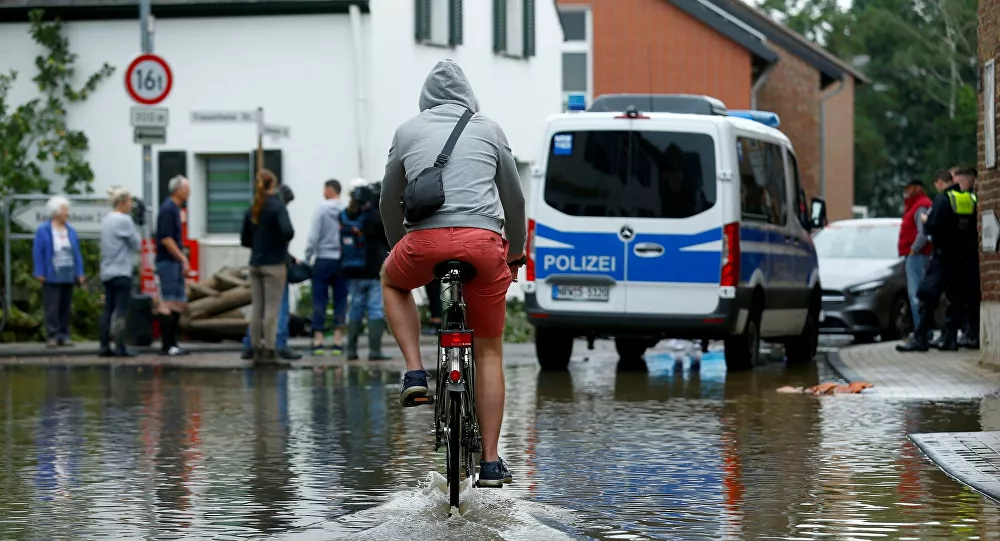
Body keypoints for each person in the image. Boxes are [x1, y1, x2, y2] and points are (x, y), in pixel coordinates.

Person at [380, 59, 526, 487]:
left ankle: (414, 372)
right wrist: (515, 253)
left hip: (422, 244)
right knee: (490, 351)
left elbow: (390, 199)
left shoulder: (407, 131)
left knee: (391, 281)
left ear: (425, 99)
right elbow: (513, 200)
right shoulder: (489, 128)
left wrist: (397, 247)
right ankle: (493, 463)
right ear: (469, 97)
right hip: (482, 247)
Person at [898, 167, 979, 352]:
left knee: (927, 295)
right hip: (964, 258)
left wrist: (927, 221)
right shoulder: (971, 199)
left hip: (943, 256)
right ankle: (949, 339)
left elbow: (931, 227)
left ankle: (921, 338)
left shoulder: (944, 199)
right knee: (956, 299)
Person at [240, 183, 302, 362]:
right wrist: (281, 249)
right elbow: (288, 232)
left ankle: (251, 346)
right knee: (274, 310)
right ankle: (272, 348)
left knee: (257, 308)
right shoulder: (277, 208)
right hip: (274, 264)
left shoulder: (254, 208)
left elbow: (245, 239)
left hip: (255, 263)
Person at [340, 180, 393, 361]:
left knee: (355, 306)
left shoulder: (348, 215)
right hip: (373, 269)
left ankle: (351, 350)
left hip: (353, 269)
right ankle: (374, 351)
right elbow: (389, 240)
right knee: (375, 308)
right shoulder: (376, 217)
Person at [32, 196, 85, 348]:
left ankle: (64, 334)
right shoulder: (43, 230)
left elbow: (77, 253)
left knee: (65, 306)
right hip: (51, 274)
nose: (67, 213)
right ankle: (52, 335)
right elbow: (38, 252)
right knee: (52, 307)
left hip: (68, 272)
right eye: (64, 210)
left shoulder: (71, 230)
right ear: (55, 212)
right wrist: (40, 272)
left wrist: (79, 273)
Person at [305, 179, 349, 356]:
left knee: (319, 299)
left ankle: (318, 341)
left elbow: (313, 237)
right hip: (342, 260)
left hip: (323, 259)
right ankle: (337, 340)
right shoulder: (345, 210)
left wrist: (308, 258)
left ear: (330, 190)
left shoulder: (321, 209)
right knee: (340, 299)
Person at [98, 187, 142, 357]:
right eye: (130, 202)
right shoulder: (124, 220)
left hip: (107, 271)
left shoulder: (107, 219)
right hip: (121, 270)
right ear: (123, 202)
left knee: (108, 309)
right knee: (121, 310)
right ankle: (120, 346)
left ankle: (103, 345)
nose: (131, 205)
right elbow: (136, 244)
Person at [155, 175, 192, 356]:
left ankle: (173, 343)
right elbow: (166, 239)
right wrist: (182, 258)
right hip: (168, 261)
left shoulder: (175, 209)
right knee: (168, 301)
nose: (189, 191)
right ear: (178, 190)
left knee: (178, 302)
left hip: (173, 261)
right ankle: (167, 344)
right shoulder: (168, 210)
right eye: (187, 187)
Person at [897, 179, 933, 333]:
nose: (905, 190)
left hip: (917, 256)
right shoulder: (913, 205)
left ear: (918, 188)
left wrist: (914, 249)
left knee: (916, 295)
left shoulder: (921, 206)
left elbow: (923, 232)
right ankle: (923, 331)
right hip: (914, 255)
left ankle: (922, 332)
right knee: (916, 295)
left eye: (908, 187)